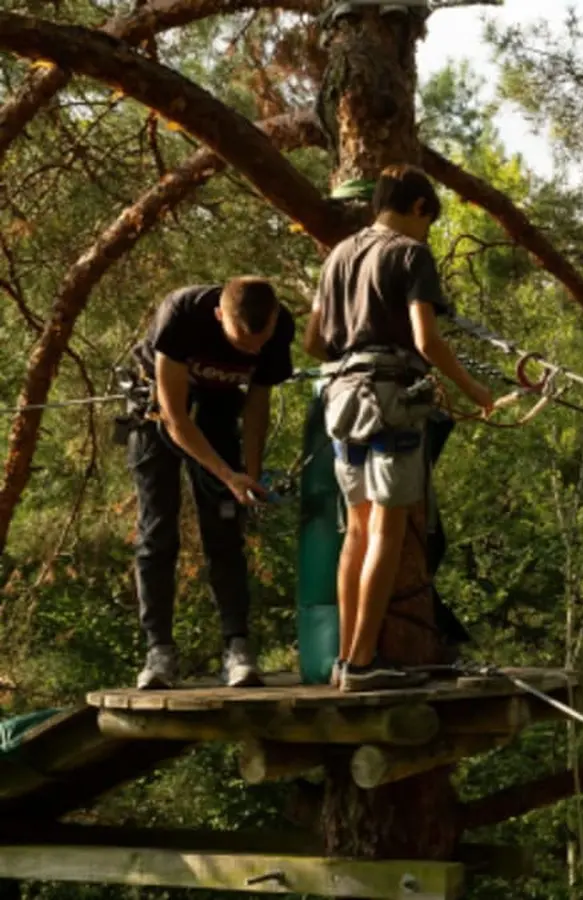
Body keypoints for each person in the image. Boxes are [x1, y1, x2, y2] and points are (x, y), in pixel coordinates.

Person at [304, 164, 493, 693]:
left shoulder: (337, 257)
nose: (427, 231)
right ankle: (363, 664)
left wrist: (354, 349)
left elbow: (313, 342)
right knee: (386, 530)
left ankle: (345, 659)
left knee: (356, 531)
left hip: (341, 400)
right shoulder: (411, 254)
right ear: (417, 208)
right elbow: (427, 340)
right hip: (389, 399)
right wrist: (473, 390)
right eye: (428, 221)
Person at [130, 277, 295, 689]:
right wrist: (226, 473)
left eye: (261, 341)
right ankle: (159, 652)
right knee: (157, 530)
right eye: (243, 342)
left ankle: (237, 647)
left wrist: (250, 478)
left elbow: (257, 408)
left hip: (220, 407)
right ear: (220, 316)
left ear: (274, 318)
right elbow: (176, 421)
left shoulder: (279, 326)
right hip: (160, 408)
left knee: (224, 527)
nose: (254, 351)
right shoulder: (182, 314)